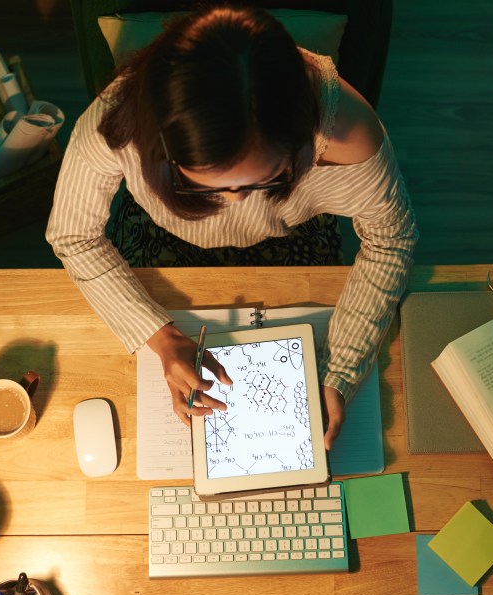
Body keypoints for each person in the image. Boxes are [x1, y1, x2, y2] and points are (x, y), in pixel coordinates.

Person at [46, 5, 417, 450]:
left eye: (264, 179)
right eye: (205, 185)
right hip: (160, 226)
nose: (236, 200)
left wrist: (339, 374)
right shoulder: (117, 120)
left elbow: (392, 240)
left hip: (293, 230)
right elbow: (74, 235)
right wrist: (159, 337)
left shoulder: (349, 133)